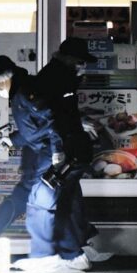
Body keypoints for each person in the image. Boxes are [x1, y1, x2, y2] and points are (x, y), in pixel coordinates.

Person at [0, 55, 90, 273]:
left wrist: (57, 153)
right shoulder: (24, 90)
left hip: (54, 154)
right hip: (58, 152)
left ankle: (45, 256)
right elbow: (35, 129)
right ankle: (73, 255)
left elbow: (51, 122)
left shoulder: (24, 93)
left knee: (39, 202)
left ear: (2, 79)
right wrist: (12, 140)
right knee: (58, 203)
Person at [36, 37, 100, 251]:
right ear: (70, 58)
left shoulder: (62, 75)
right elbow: (54, 115)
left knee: (70, 194)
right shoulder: (57, 78)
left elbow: (64, 112)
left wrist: (79, 121)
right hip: (63, 146)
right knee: (66, 196)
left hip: (66, 144)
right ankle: (72, 248)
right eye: (80, 61)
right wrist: (58, 149)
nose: (82, 66)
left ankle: (79, 242)